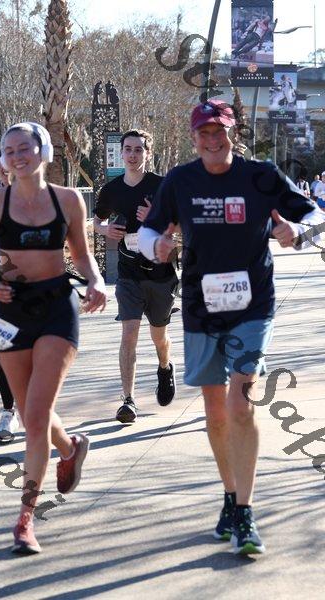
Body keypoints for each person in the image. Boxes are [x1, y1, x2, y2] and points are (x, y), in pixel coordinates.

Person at [139, 98, 325, 555]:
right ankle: (229, 495)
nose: (212, 140)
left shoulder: (260, 175)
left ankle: (245, 510)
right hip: (201, 308)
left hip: (252, 306)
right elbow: (147, 232)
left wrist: (297, 233)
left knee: (240, 404)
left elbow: (316, 216)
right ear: (193, 138)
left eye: (219, 131)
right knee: (215, 413)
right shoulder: (180, 180)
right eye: (203, 132)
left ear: (232, 133)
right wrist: (155, 245)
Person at [0, 122, 106, 554]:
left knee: (35, 414)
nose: (17, 156)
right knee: (33, 415)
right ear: (3, 159)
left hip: (55, 309)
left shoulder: (68, 200)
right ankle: (70, 448)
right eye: (9, 150)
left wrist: (96, 280)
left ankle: (25, 519)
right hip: (10, 309)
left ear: (43, 151)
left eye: (24, 148)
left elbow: (82, 254)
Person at [93, 129, 178, 423]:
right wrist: (105, 229)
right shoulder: (111, 190)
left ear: (147, 153)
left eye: (138, 149)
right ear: (121, 153)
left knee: (159, 336)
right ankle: (127, 400)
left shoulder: (162, 186)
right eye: (128, 149)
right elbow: (96, 221)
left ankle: (165, 367)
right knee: (129, 334)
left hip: (160, 273)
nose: (132, 155)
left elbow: (181, 225)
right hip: (128, 273)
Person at [0, 151, 19, 442]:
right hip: (0, 288)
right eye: (3, 159)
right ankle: (8, 413)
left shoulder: (42, 200)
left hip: (35, 290)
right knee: (3, 351)